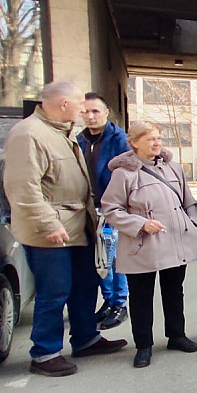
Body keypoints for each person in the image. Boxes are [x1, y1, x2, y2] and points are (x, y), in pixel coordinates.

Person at [3, 81, 127, 377]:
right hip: (51, 231)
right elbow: (23, 189)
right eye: (79, 106)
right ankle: (45, 353)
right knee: (55, 290)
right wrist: (48, 223)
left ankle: (85, 338)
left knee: (85, 285)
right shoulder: (29, 134)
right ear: (62, 104)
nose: (84, 112)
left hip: (76, 225)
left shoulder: (60, 132)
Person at [102, 122, 197, 368]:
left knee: (173, 290)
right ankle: (143, 345)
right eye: (151, 139)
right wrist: (140, 223)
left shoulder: (173, 168)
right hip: (142, 244)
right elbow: (111, 209)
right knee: (141, 296)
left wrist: (192, 223)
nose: (157, 143)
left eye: (159, 138)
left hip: (175, 240)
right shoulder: (123, 173)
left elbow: (188, 201)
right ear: (134, 142)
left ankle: (177, 335)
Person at [77, 92, 131, 330]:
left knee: (115, 258)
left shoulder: (119, 139)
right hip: (89, 210)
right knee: (101, 259)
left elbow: (128, 172)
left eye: (95, 111)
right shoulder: (80, 140)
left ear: (106, 113)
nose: (90, 116)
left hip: (112, 208)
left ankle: (119, 303)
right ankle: (108, 301)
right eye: (85, 112)